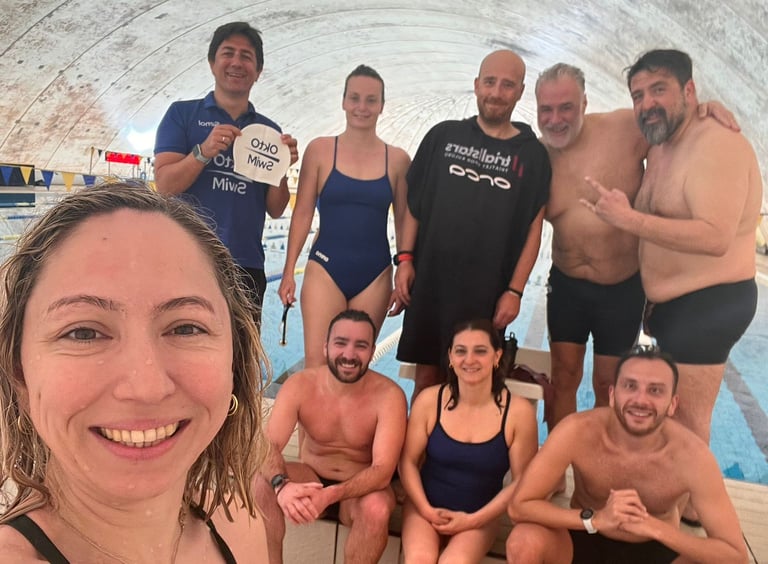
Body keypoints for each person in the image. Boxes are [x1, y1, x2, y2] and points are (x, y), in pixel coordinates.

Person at [0, 182, 271, 562]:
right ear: (19, 374)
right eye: (83, 333)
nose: (146, 387)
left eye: (186, 328)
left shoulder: (239, 526)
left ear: (234, 362)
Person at [583, 49, 761, 473]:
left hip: (708, 303)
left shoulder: (716, 144)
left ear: (689, 90)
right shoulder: (664, 144)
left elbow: (715, 236)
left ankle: (691, 506)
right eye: (638, 95)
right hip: (672, 306)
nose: (647, 103)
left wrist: (628, 219)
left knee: (687, 423)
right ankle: (674, 499)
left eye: (658, 89)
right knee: (670, 417)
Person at [536, 63, 739, 431]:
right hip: (566, 284)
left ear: (584, 103)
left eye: (566, 107)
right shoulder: (536, 156)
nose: (555, 119)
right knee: (563, 376)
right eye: (546, 110)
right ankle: (560, 457)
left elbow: (674, 126)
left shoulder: (622, 129)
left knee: (608, 383)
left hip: (622, 288)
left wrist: (705, 109)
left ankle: (599, 459)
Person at [394, 50, 551, 399]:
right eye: (490, 82)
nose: (496, 92)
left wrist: (515, 291)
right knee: (426, 380)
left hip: (487, 293)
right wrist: (404, 260)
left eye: (507, 85)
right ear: (477, 84)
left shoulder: (532, 155)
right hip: (432, 282)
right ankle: (420, 438)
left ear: (520, 91)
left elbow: (533, 229)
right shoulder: (443, 136)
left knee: (473, 385)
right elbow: (414, 206)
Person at [506, 345, 748, 564]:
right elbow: (520, 506)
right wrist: (594, 519)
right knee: (524, 541)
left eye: (655, 390)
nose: (640, 400)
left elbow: (735, 555)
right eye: (630, 386)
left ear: (673, 404)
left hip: (655, 548)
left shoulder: (692, 456)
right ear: (612, 395)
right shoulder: (577, 431)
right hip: (585, 537)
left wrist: (654, 527)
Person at [154, 21, 299, 322]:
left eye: (246, 56)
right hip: (185, 258)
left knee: (243, 350)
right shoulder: (182, 114)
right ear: (212, 63)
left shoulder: (268, 131)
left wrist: (282, 170)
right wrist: (202, 152)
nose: (236, 62)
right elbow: (165, 185)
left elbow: (276, 209)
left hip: (247, 265)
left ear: (258, 71)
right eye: (228, 53)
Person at [278, 65, 411, 368]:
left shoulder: (398, 160)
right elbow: (302, 213)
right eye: (355, 98)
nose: (362, 107)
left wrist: (404, 267)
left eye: (371, 100)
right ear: (343, 101)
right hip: (325, 268)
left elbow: (404, 220)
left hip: (375, 275)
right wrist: (288, 272)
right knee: (318, 365)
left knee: (355, 367)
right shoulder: (321, 150)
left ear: (382, 106)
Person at [253, 309, 407, 564]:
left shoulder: (389, 396)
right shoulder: (300, 385)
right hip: (312, 478)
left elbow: (382, 471)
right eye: (341, 343)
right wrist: (282, 485)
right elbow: (268, 446)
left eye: (360, 346)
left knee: (377, 508)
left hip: (360, 490)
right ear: (326, 347)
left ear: (372, 351)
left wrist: (332, 494)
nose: (349, 355)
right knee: (261, 484)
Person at [399, 319, 538, 563]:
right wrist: (426, 509)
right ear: (450, 358)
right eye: (461, 351)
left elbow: (522, 482)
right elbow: (407, 462)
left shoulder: (518, 413)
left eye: (480, 351)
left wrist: (474, 520)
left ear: (497, 356)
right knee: (419, 559)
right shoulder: (430, 401)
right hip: (424, 508)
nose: (469, 360)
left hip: (480, 516)